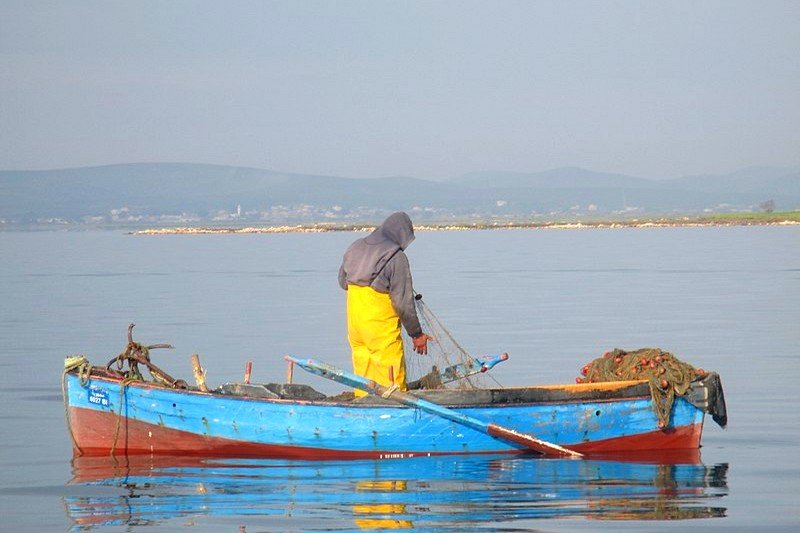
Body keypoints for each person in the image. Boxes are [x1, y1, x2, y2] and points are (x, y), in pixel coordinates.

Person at [338, 212, 431, 396]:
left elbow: (343, 282)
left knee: (363, 364)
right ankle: (393, 409)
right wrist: (416, 334)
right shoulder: (396, 258)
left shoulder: (355, 246)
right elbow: (402, 303)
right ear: (401, 235)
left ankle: (364, 405)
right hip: (379, 327)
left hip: (355, 323)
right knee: (390, 373)